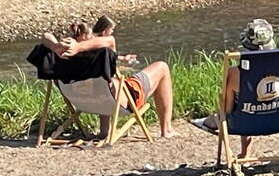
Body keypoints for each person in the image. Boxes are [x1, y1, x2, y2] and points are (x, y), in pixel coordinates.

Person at [41, 16, 177, 139]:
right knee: (162, 67)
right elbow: (110, 40)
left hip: (83, 102)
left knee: (100, 83)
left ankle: (104, 130)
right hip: (121, 101)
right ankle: (166, 129)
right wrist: (78, 47)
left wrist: (55, 46)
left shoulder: (61, 55)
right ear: (87, 36)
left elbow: (45, 36)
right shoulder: (98, 51)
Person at [190, 20, 278, 158]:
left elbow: (228, 109)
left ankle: (209, 122)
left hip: (245, 121)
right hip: (277, 119)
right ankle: (245, 152)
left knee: (242, 107)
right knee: (250, 105)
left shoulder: (235, 74)